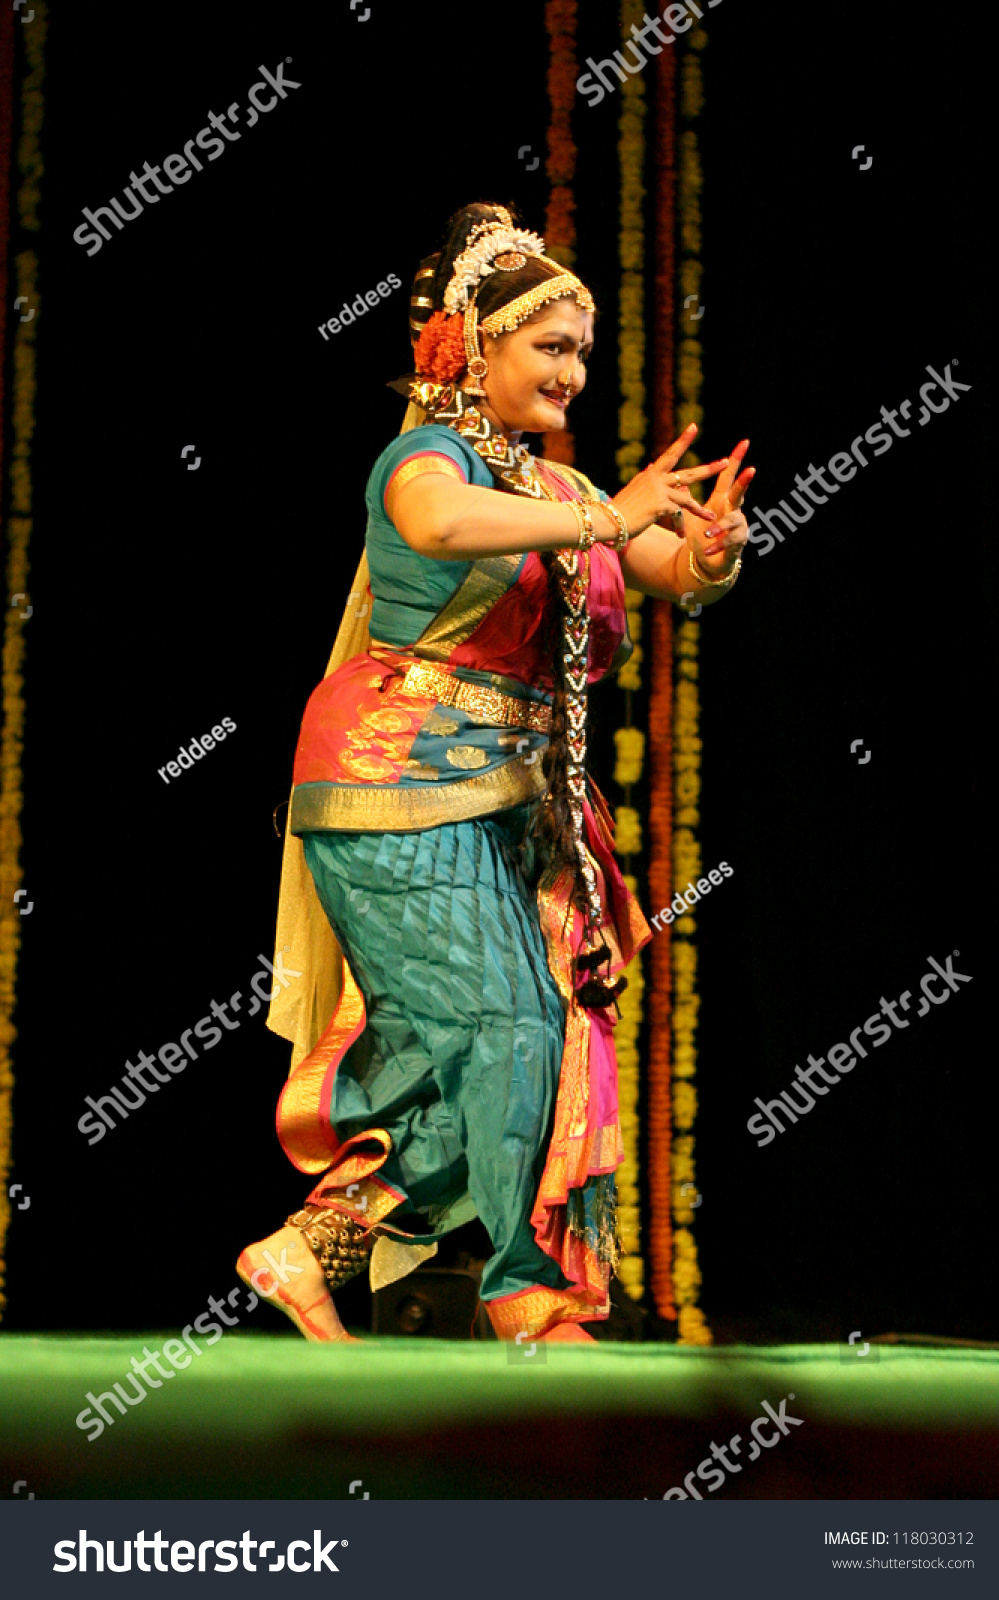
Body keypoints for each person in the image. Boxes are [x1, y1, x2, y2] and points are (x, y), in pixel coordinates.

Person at [236, 201, 753, 1345]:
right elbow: (433, 521)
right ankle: (528, 1293)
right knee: (513, 1023)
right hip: (393, 784)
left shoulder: (557, 492)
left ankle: (320, 1241)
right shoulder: (432, 458)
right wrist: (607, 518)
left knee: (489, 1039)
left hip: (504, 807)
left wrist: (709, 555)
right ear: (477, 344)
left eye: (580, 350)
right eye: (549, 347)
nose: (573, 369)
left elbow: (658, 562)